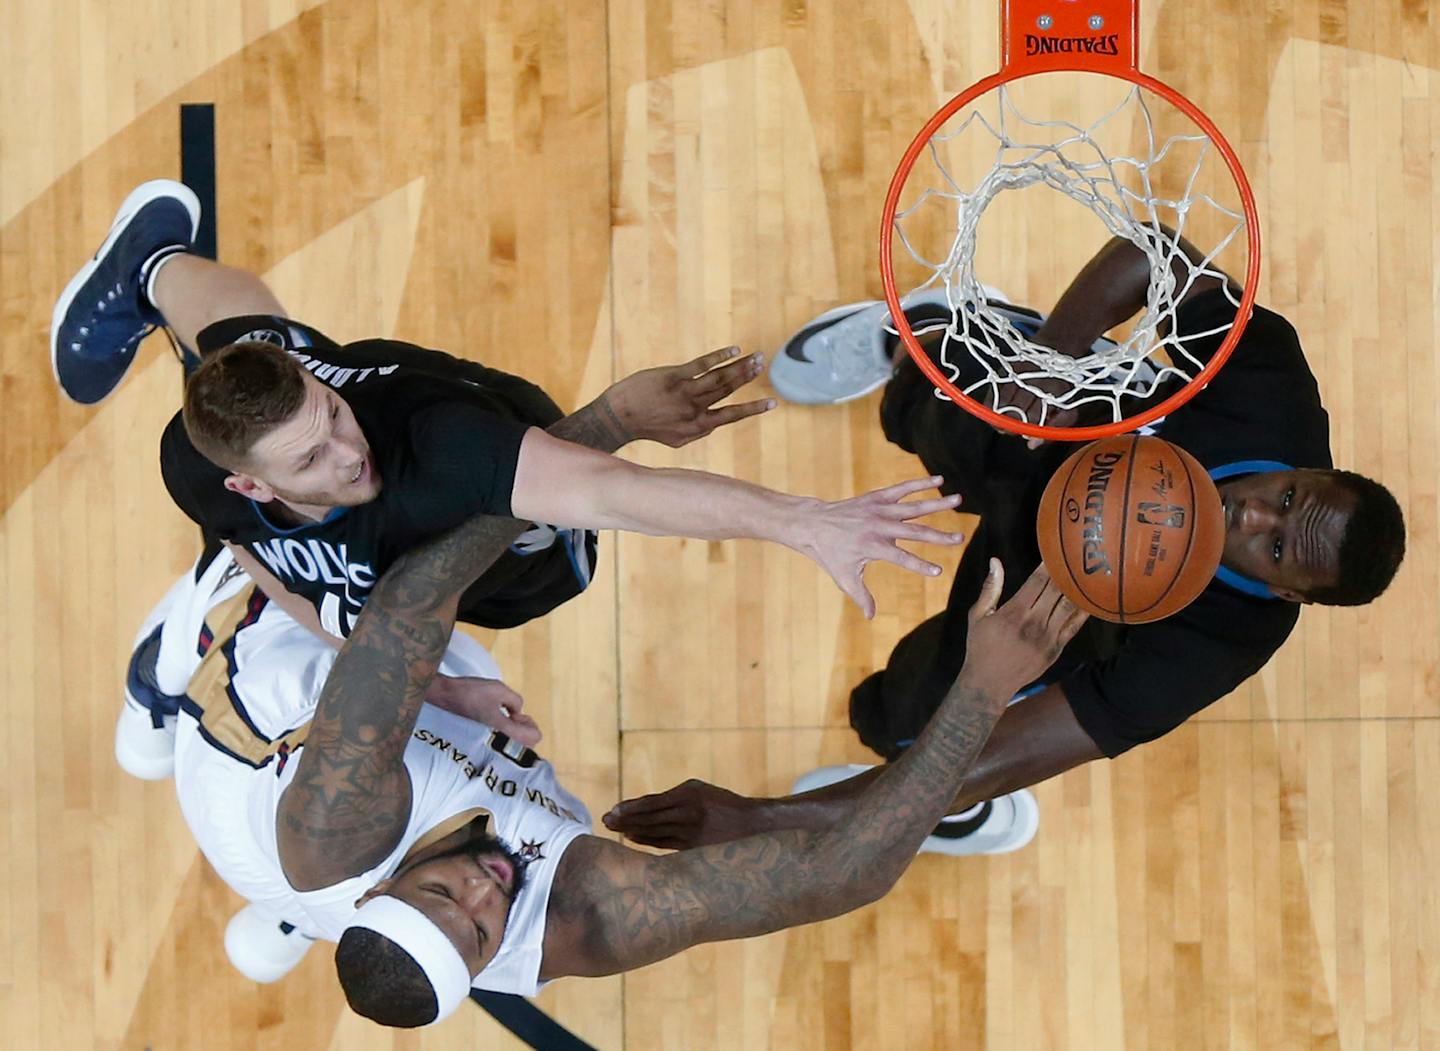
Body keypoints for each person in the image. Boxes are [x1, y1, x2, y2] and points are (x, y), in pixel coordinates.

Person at [54, 181, 966, 776]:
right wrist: (438, 687)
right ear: (251, 488)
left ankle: (159, 268)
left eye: (330, 413)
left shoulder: (441, 452)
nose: (346, 448)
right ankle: (154, 266)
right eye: (308, 457)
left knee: (269, 345)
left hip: (505, 453)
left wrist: (806, 522)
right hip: (354, 532)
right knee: (242, 335)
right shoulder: (205, 470)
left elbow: (617, 495)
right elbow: (267, 564)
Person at [604, 229, 1408, 858]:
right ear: (1306, 464)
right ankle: (932, 336)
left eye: (1274, 549)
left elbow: (991, 752)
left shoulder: (1217, 646)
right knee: (934, 404)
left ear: (1288, 593)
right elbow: (1152, 252)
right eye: (1288, 496)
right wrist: (1050, 365)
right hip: (1054, 428)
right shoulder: (1272, 391)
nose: (1252, 516)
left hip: (1049, 592)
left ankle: (931, 803)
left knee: (922, 721)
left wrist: (768, 818)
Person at [145, 494, 1085, 1026]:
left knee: (335, 569)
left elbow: (399, 614)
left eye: (442, 898)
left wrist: (565, 461)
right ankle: (282, 905)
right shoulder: (577, 926)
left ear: (385, 886)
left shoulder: (343, 822)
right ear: (487, 965)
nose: (484, 893)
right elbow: (840, 874)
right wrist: (982, 692)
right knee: (394, 679)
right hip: (327, 775)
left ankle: (158, 704)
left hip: (249, 704)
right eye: (478, 931)